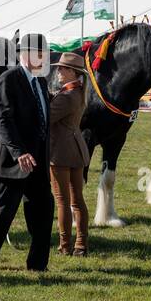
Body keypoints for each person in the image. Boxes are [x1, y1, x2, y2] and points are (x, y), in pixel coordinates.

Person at [0, 32, 54, 270]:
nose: (44, 57)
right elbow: (4, 121)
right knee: (4, 213)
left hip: (38, 160)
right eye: (40, 53)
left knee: (43, 210)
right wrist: (19, 152)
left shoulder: (41, 82)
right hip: (14, 161)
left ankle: (38, 264)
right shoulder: (9, 79)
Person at [48, 52, 89, 257]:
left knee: (63, 201)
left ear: (73, 72)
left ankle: (65, 245)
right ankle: (81, 243)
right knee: (77, 200)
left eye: (62, 68)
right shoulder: (78, 92)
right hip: (76, 149)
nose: (58, 71)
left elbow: (46, 117)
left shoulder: (67, 96)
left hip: (61, 151)